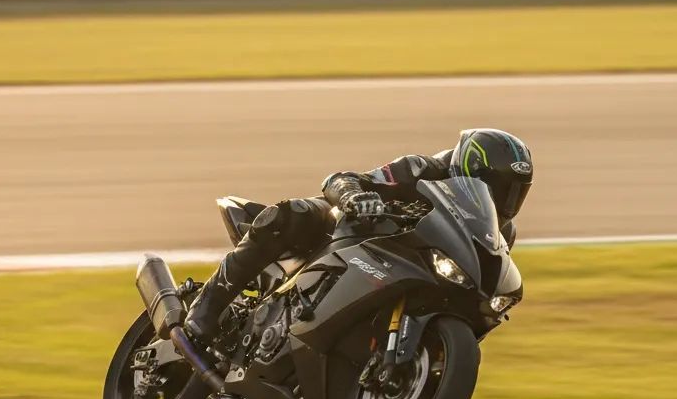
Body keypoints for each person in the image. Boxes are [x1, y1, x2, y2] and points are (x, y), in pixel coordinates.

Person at [181, 128, 533, 346]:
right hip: (351, 236)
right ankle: (208, 303)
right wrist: (354, 196)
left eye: (516, 192)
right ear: (469, 170)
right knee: (292, 213)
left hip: (409, 274)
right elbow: (343, 179)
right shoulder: (424, 170)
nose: (505, 200)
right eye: (499, 188)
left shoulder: (499, 232)